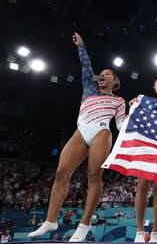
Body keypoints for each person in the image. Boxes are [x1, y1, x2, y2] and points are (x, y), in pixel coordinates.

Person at [28, 32, 126, 241]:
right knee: (61, 172)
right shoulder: (89, 88)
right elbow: (86, 67)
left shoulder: (119, 100)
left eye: (107, 74)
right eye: (101, 73)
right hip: (81, 130)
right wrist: (81, 45)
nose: (102, 75)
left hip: (101, 131)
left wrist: (134, 111)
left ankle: (85, 223)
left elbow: (120, 125)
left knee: (93, 176)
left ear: (115, 81)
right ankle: (50, 221)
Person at [130, 77, 157, 243]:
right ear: (155, 88)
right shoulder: (145, 104)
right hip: (147, 147)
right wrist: (135, 106)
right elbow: (133, 121)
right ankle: (140, 232)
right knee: (142, 186)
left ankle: (156, 231)